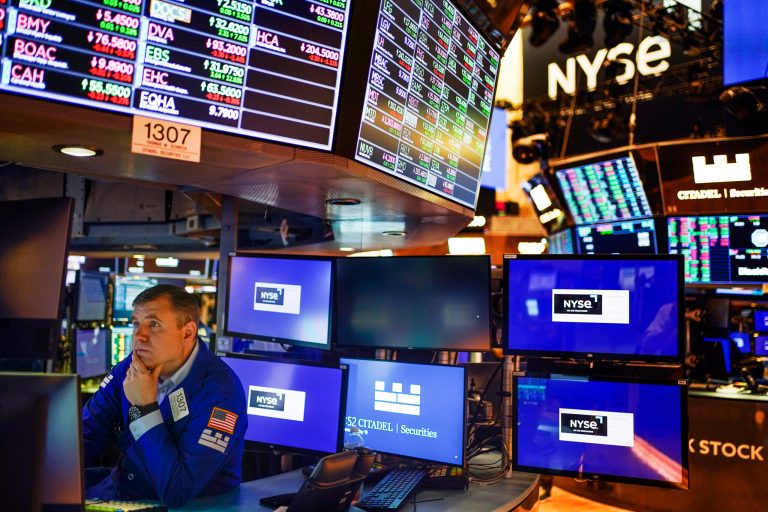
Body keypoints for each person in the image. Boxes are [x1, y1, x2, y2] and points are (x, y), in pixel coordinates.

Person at [82, 285, 247, 507]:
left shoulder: (221, 393)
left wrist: (144, 408)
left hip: (180, 506)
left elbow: (177, 490)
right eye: (136, 324)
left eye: (154, 324)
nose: (139, 336)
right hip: (122, 490)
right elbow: (86, 435)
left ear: (188, 332)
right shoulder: (131, 368)